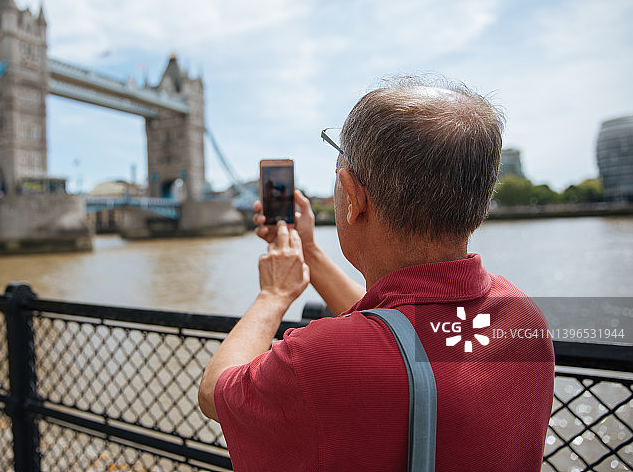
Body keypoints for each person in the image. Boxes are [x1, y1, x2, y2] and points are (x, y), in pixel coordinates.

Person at [198, 76, 555, 471]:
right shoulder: (522, 316)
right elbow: (401, 333)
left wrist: (274, 296)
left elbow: (217, 392)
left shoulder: (319, 360)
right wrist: (310, 253)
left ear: (353, 196)